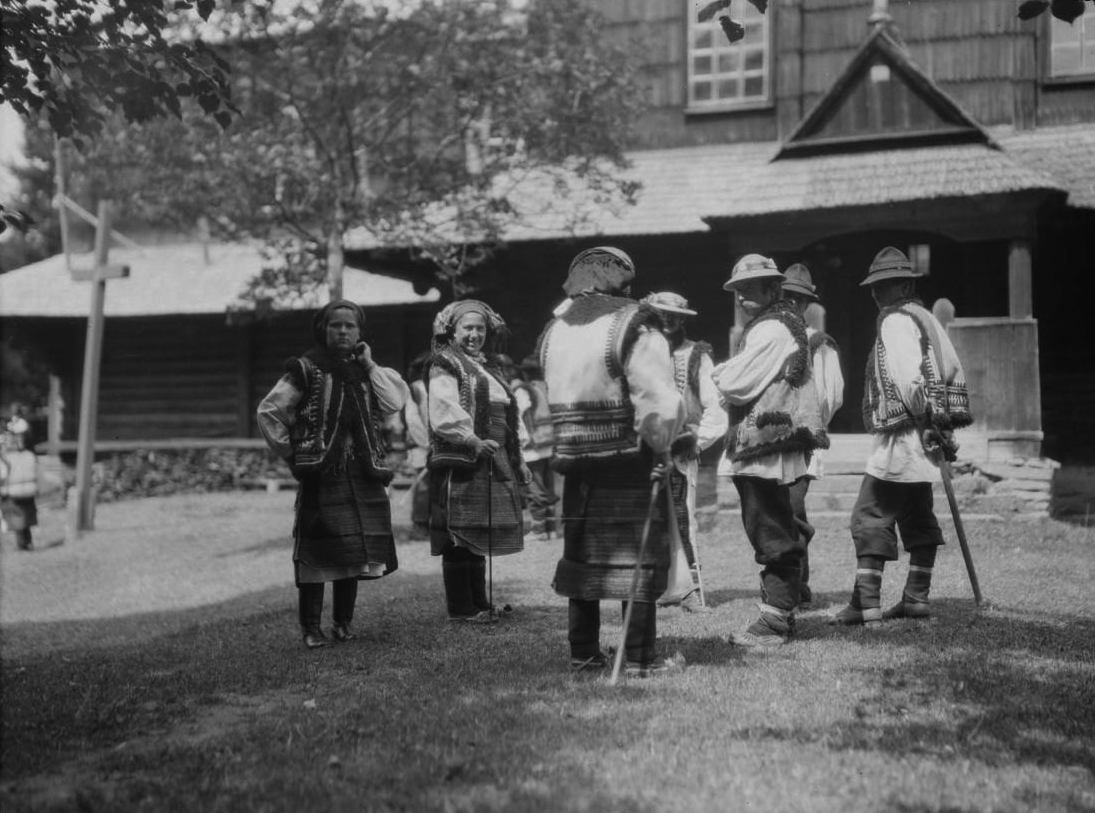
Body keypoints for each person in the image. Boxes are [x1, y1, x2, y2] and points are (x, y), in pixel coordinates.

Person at [539, 246, 686, 677]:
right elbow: (655, 396)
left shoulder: (555, 330)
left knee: (583, 553)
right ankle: (639, 657)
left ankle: (583, 652)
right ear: (624, 281)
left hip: (574, 460)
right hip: (629, 457)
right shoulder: (635, 326)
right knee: (637, 553)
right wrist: (663, 446)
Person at [831, 247, 972, 625]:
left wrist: (926, 420)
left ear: (905, 284)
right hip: (925, 437)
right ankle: (915, 598)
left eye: (886, 285)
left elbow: (910, 379)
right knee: (917, 514)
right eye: (874, 286)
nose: (877, 293)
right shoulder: (926, 318)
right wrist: (938, 423)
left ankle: (867, 603)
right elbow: (952, 368)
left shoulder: (895, 321)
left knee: (870, 515)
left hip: (907, 434)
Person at [257, 299, 407, 649]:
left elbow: (394, 403)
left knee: (353, 550)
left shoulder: (366, 372)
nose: (342, 331)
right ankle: (311, 628)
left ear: (360, 333)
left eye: (350, 326)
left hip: (363, 472)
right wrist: (294, 452)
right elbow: (269, 412)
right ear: (323, 330)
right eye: (335, 325)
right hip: (323, 473)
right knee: (317, 550)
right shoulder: (306, 370)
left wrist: (369, 364)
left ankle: (343, 624)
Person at [713, 254, 827, 647]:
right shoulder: (775, 325)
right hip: (765, 442)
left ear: (772, 289)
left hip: (765, 444)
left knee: (770, 528)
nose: (743, 298)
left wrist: (718, 373)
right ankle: (778, 610)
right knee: (771, 523)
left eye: (750, 289)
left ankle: (776, 621)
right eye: (738, 291)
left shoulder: (773, 329)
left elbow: (734, 382)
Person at [426, 300, 529, 623]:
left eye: (480, 328)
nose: (474, 334)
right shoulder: (445, 363)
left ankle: (480, 603)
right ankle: (461, 607)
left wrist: (518, 458)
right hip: (464, 455)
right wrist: (471, 440)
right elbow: (443, 411)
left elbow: (511, 417)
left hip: (495, 453)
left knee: (480, 528)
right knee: (460, 531)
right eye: (467, 328)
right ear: (453, 331)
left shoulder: (491, 368)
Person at [641, 291, 728, 611]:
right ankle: (657, 585)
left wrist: (694, 441)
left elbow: (716, 410)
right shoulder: (637, 353)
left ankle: (689, 590)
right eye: (660, 314)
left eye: (674, 316)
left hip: (678, 452)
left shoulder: (696, 356)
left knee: (681, 517)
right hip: (642, 449)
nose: (667, 321)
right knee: (647, 517)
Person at [780, 264, 845, 607]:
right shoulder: (769, 338)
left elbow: (832, 395)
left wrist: (808, 422)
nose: (789, 303)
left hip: (802, 441)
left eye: (796, 299)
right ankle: (792, 586)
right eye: (784, 296)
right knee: (781, 511)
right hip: (769, 443)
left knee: (791, 509)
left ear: (806, 305)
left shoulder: (819, 344)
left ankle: (792, 590)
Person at [511, 355, 558, 540]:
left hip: (532, 446)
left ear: (524, 372)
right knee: (547, 486)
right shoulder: (545, 387)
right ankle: (552, 529)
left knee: (534, 488)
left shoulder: (524, 390)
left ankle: (539, 530)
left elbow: (517, 415)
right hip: (549, 442)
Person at [404, 353, 432, 538]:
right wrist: (428, 444)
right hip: (424, 445)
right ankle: (419, 525)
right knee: (423, 485)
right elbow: (414, 421)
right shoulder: (416, 389)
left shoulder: (436, 387)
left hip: (438, 444)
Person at [0, 416, 39, 552]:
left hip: (13, 492)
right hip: (26, 491)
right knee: (24, 519)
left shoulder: (8, 456)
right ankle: (26, 543)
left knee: (19, 520)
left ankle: (23, 544)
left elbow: (3, 474)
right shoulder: (29, 455)